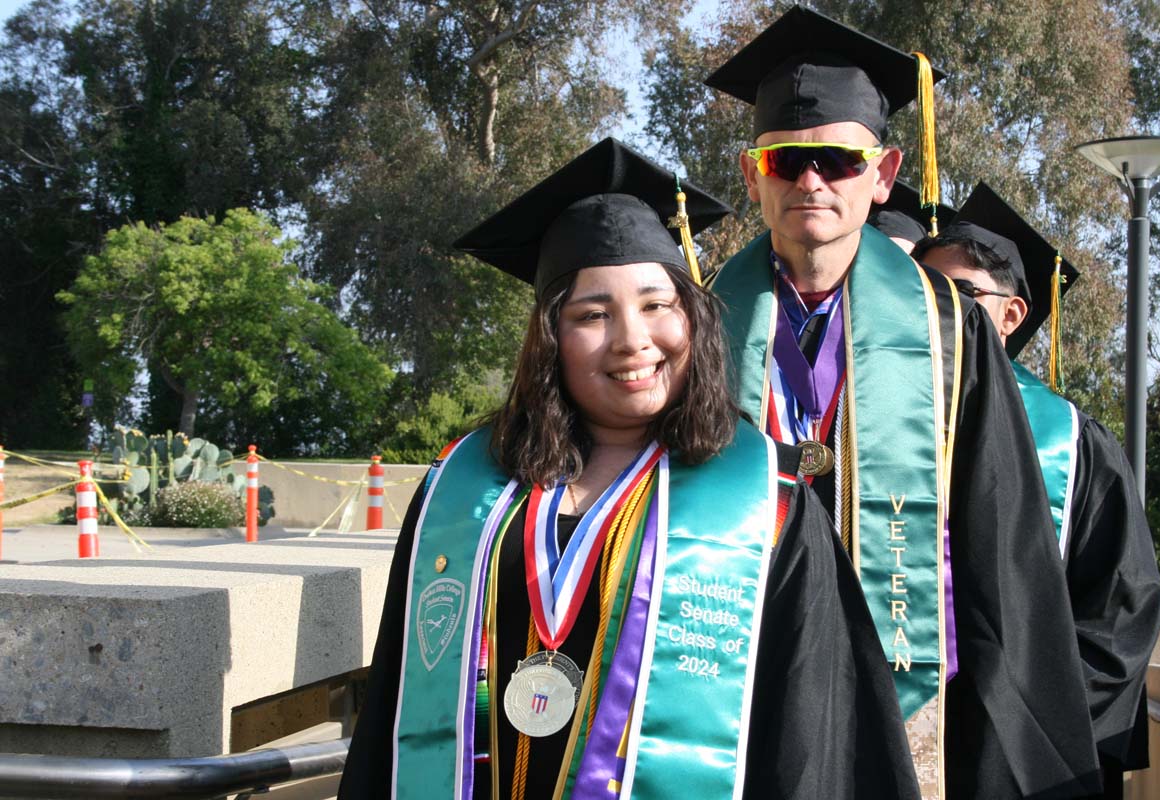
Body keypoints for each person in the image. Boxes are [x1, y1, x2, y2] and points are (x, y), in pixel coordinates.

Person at [337, 138, 920, 799]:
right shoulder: (466, 490)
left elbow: (811, 738)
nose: (632, 339)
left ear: (692, 319)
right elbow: (394, 708)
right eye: (592, 314)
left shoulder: (767, 503)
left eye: (656, 304)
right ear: (550, 339)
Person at [704, 6, 1102, 798]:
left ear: (883, 174)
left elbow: (1004, 550)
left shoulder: (953, 333)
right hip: (734, 680)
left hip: (913, 695)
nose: (811, 182)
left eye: (840, 163)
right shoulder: (695, 326)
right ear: (753, 176)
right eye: (786, 162)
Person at [911, 182, 1160, 799]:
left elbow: (1121, 609)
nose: (940, 310)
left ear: (1012, 314)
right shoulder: (882, 427)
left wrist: (1025, 710)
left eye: (962, 295)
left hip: (1024, 747)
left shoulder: (1073, 443)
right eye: (925, 293)